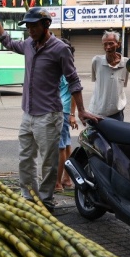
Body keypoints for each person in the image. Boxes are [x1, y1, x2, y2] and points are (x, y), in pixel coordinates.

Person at [0, 7, 98, 210]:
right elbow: (8, 42)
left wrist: (80, 110)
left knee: (49, 162)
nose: (30, 30)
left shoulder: (60, 49)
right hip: (27, 113)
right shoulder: (29, 45)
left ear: (46, 25)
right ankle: (29, 196)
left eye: (34, 26)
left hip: (49, 115)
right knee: (25, 158)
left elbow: (73, 80)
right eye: (28, 26)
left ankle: (46, 200)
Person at [89, 31, 129, 121]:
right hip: (97, 111)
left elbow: (122, 84)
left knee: (117, 135)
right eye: (105, 44)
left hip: (117, 112)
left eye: (111, 44)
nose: (107, 47)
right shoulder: (96, 61)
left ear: (118, 44)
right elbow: (96, 80)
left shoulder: (126, 63)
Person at [56, 39, 76, 192]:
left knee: (60, 147)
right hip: (65, 111)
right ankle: (67, 179)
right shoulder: (69, 67)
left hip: (61, 111)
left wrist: (71, 114)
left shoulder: (63, 68)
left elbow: (75, 93)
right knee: (67, 144)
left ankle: (57, 183)